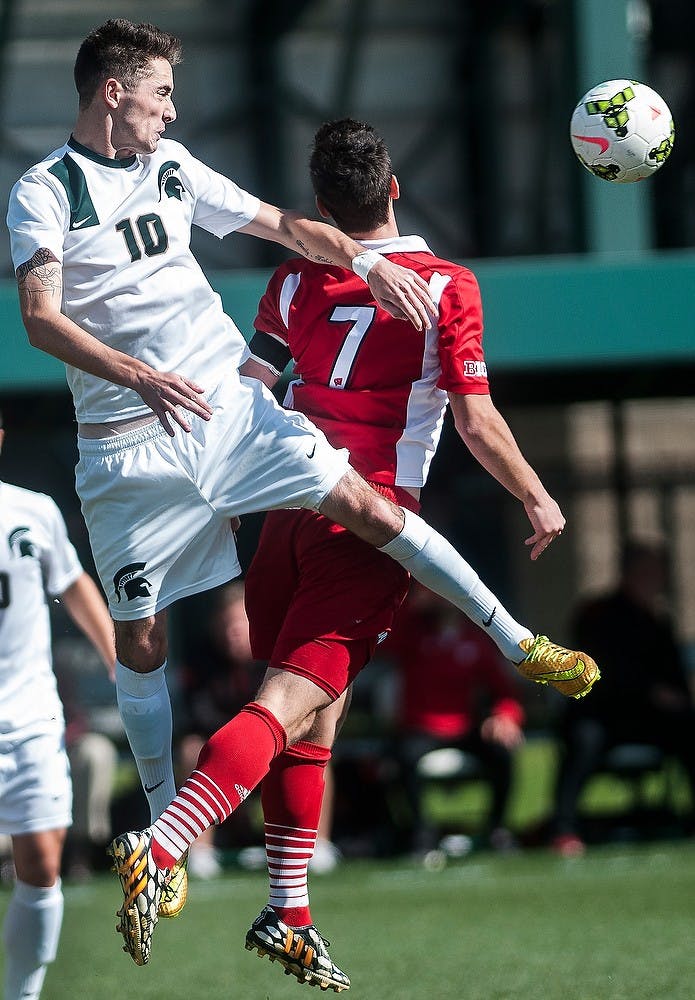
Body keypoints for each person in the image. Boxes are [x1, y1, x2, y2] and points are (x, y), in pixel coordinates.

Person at [101, 109, 597, 982]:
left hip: (281, 514)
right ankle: (165, 842)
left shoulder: (293, 283)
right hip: (368, 526)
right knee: (290, 706)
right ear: (394, 188)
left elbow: (247, 390)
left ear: (320, 205)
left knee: (312, 717)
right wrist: (535, 492)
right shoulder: (445, 284)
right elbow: (475, 421)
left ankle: (287, 907)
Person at [0, 409, 116, 1000]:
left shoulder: (32, 510)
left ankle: (22, 995)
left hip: (29, 719)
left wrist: (118, 658)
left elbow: (73, 583)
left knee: (42, 865)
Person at [550, 538, 695, 857]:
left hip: (646, 718)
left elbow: (673, 677)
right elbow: (600, 669)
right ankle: (564, 827)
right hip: (603, 713)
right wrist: (650, 691)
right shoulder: (598, 613)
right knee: (584, 738)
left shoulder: (658, 621)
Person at [388, 584, 525, 856]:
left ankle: (498, 829)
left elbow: (505, 693)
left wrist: (504, 717)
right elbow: (383, 636)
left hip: (464, 726)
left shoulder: (475, 640)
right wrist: (409, 602)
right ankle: (420, 833)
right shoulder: (410, 633)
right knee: (401, 759)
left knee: (501, 754)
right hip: (420, 728)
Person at [176, 581, 264, 878]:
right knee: (191, 748)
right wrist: (237, 739)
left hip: (270, 747)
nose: (233, 632)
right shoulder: (202, 660)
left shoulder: (273, 656)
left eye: (239, 623)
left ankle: (315, 846)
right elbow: (197, 715)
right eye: (227, 624)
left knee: (312, 751)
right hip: (222, 748)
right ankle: (201, 850)